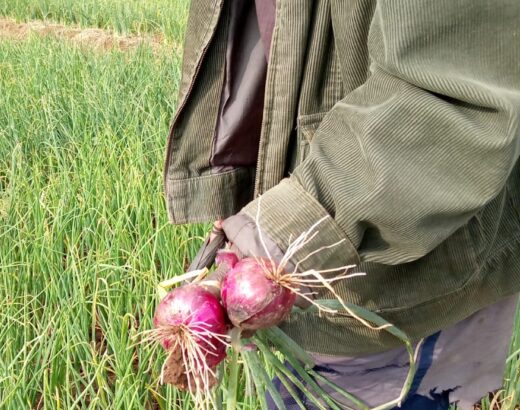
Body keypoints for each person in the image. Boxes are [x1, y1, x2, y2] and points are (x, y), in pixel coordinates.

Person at [164, 0, 520, 408]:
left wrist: (290, 228)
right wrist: (240, 185)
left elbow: (454, 88)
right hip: (309, 239)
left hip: (400, 259)